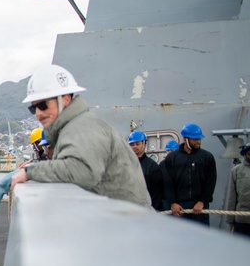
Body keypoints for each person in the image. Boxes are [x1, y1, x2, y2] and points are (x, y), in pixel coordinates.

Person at [10, 64, 151, 207]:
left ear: (65, 99)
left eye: (43, 105)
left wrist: (30, 172)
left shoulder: (82, 127)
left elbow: (82, 170)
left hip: (129, 223)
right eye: (34, 108)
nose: (38, 113)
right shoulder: (75, 126)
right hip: (123, 219)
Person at [161, 123, 217, 226]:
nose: (198, 141)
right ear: (186, 139)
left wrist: (202, 202)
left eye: (199, 139)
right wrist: (172, 203)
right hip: (179, 208)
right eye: (194, 139)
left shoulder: (207, 157)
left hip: (200, 207)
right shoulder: (172, 159)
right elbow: (167, 183)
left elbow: (210, 181)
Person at [128, 130, 164, 210]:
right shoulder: (124, 165)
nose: (134, 147)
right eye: (132, 144)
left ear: (144, 145)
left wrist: (153, 210)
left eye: (137, 144)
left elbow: (157, 192)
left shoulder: (153, 167)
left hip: (147, 209)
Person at [225, 143, 250, 237]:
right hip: (241, 219)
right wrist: (230, 220)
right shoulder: (236, 170)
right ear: (244, 154)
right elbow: (232, 196)